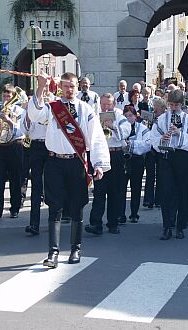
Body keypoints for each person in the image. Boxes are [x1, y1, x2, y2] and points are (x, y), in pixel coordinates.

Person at [28, 71, 110, 268]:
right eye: (66, 86)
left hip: (76, 162)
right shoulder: (52, 107)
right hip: (55, 162)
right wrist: (40, 87)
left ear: (78, 86)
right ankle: (53, 252)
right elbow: (34, 114)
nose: (69, 89)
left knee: (76, 206)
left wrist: (98, 164)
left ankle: (75, 248)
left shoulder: (86, 109)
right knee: (54, 207)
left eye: (73, 86)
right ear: (60, 87)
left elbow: (97, 137)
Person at [150, 89, 188, 240]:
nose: (174, 107)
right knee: (166, 192)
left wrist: (179, 133)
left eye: (176, 104)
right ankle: (167, 226)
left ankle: (180, 225)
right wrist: (162, 139)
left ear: (181, 104)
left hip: (183, 157)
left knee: (183, 191)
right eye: (171, 104)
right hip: (166, 156)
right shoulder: (162, 119)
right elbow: (153, 138)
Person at [85, 93, 131, 235]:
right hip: (100, 155)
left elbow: (126, 132)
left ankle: (113, 223)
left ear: (114, 104)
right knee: (99, 190)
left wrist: (113, 126)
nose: (105, 107)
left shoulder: (120, 116)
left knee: (115, 190)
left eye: (108, 104)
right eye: (103, 104)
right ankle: (96, 223)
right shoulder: (95, 115)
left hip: (115, 154)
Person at [0, 84, 25, 220]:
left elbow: (22, 131)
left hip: (15, 146)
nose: (6, 98)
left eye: (9, 96)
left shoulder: (19, 111)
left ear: (13, 97)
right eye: (4, 95)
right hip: (0, 146)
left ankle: (15, 208)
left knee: (16, 179)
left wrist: (8, 120)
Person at [119, 105, 151, 223]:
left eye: (130, 116)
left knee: (136, 188)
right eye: (126, 116)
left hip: (137, 160)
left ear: (135, 116)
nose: (128, 118)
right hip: (123, 160)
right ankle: (120, 214)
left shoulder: (142, 128)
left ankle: (134, 213)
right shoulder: (120, 127)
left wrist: (132, 145)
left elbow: (148, 144)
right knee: (121, 188)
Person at [20, 109, 48, 235]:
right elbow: (25, 130)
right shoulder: (30, 109)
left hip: (51, 146)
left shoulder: (54, 106)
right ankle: (34, 224)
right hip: (36, 146)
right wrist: (28, 114)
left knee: (53, 185)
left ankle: (55, 222)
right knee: (36, 186)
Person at [143, 98, 167, 209]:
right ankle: (148, 199)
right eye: (155, 106)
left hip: (161, 148)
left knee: (161, 175)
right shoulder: (150, 117)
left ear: (163, 108)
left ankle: (159, 199)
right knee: (150, 175)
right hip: (150, 149)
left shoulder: (165, 119)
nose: (155, 108)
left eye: (158, 106)